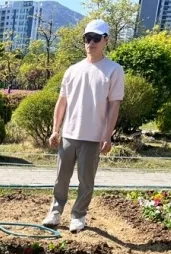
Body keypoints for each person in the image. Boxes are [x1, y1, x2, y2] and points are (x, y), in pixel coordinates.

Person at [42, 19, 124, 233]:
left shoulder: (114, 70)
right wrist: (55, 129)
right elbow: (62, 102)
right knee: (61, 177)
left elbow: (114, 106)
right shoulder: (72, 70)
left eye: (96, 38)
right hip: (69, 134)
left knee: (86, 181)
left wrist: (108, 135)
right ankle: (55, 211)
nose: (91, 42)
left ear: (106, 40)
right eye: (88, 38)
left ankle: (78, 215)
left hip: (93, 136)